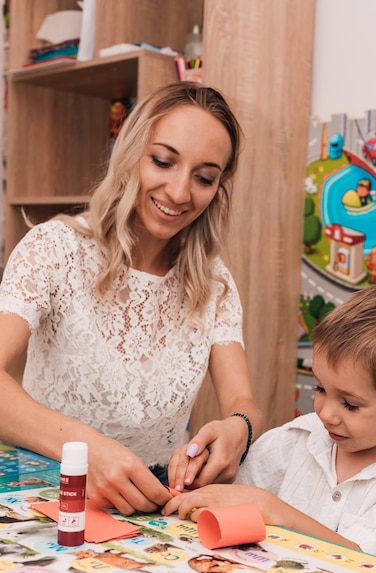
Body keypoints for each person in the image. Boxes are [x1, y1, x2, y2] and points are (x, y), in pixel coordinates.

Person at [0, 81, 262, 515]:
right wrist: (86, 450)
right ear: (131, 153)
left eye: (204, 178)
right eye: (163, 161)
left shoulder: (214, 283)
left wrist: (239, 429)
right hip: (43, 490)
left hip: (154, 506)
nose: (180, 193)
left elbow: (242, 401)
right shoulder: (53, 249)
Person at [164, 281, 376, 567]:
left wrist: (272, 509)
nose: (326, 414)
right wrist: (202, 475)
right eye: (320, 389)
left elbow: (363, 563)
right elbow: (235, 494)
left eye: (350, 404)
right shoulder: (299, 437)